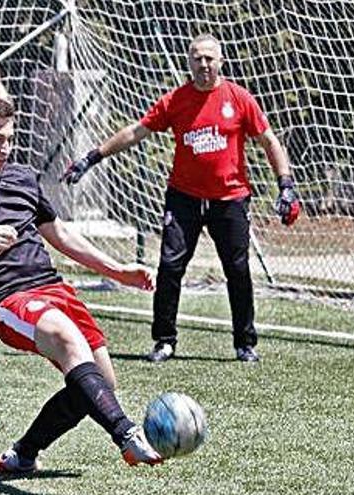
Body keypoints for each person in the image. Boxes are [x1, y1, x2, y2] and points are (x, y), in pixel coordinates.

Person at [0, 96, 163, 472]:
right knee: (67, 341)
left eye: (9, 139)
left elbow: (60, 234)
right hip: (11, 300)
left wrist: (117, 270)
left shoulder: (22, 177)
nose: (5, 149)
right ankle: (127, 434)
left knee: (100, 385)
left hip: (54, 289)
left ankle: (24, 453)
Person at [63, 34, 301, 363]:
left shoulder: (239, 98)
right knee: (170, 268)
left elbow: (269, 141)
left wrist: (285, 184)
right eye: (197, 58)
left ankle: (245, 344)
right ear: (189, 62)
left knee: (238, 270)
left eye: (209, 58)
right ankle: (164, 341)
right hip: (184, 199)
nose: (203, 64)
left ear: (221, 61)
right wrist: (92, 157)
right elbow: (136, 131)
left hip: (230, 199)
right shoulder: (176, 100)